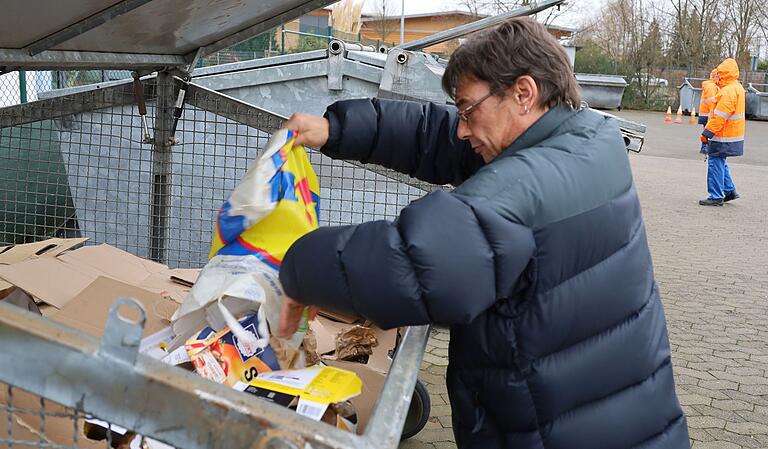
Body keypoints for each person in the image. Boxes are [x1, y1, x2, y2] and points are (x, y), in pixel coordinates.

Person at [278, 17, 689, 448]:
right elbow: (437, 137)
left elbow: (413, 264)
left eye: (469, 110)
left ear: (523, 93)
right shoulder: (585, 137)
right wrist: (338, 130)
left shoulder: (526, 188)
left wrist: (297, 267)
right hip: (620, 420)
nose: (462, 127)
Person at [699, 58, 745, 206]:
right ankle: (729, 190)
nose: (716, 76)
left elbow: (720, 117)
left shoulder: (727, 91)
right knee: (720, 161)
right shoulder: (737, 87)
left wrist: (707, 133)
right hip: (732, 135)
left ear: (724, 74)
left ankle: (716, 196)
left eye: (719, 74)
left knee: (715, 162)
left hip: (723, 135)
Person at [698, 69, 719, 154]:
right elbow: (712, 101)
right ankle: (705, 146)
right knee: (709, 131)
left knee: (707, 131)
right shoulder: (711, 86)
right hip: (709, 114)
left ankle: (705, 146)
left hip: (706, 113)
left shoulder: (711, 85)